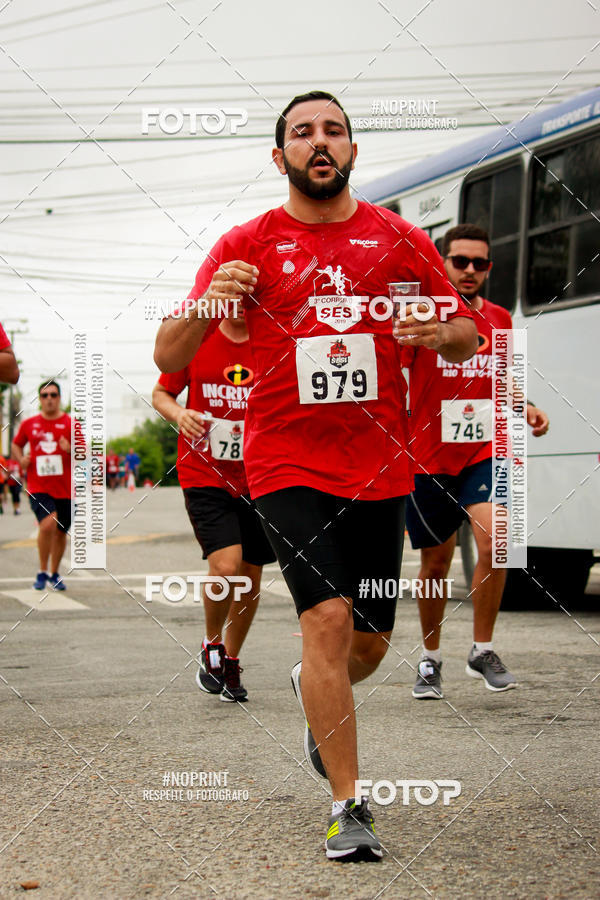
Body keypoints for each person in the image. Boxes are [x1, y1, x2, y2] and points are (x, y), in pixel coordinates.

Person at [154, 90, 478, 862]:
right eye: (302, 133)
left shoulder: (399, 240)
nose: (319, 142)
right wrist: (211, 299)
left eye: (333, 131)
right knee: (326, 622)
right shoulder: (248, 243)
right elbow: (169, 356)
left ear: (354, 152)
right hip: (285, 465)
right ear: (281, 157)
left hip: (379, 471)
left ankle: (315, 689)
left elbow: (465, 334)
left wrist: (437, 331)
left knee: (365, 645)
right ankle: (349, 805)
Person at [405, 224, 549, 699]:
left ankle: (481, 649)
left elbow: (506, 378)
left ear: (489, 268)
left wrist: (524, 406)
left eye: (479, 264)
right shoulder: (424, 316)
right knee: (436, 562)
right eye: (459, 261)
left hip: (486, 450)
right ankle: (430, 659)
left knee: (498, 539)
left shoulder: (502, 319)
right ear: (442, 262)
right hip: (429, 455)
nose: (469, 271)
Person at [152, 309, 275, 702]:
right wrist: (179, 413)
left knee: (251, 575)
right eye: (229, 291)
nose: (238, 301)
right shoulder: (198, 338)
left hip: (261, 475)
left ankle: (232, 660)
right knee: (226, 564)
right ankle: (211, 644)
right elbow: (161, 392)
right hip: (204, 472)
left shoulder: (270, 339)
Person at [11, 381, 76, 591]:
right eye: (45, 395)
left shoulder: (71, 424)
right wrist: (21, 459)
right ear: (40, 399)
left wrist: (70, 449)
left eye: (53, 395)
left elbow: (85, 455)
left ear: (59, 398)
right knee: (48, 523)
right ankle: (41, 571)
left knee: (60, 532)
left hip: (65, 488)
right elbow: (16, 444)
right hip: (38, 486)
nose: (49, 399)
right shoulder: (30, 424)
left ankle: (54, 573)